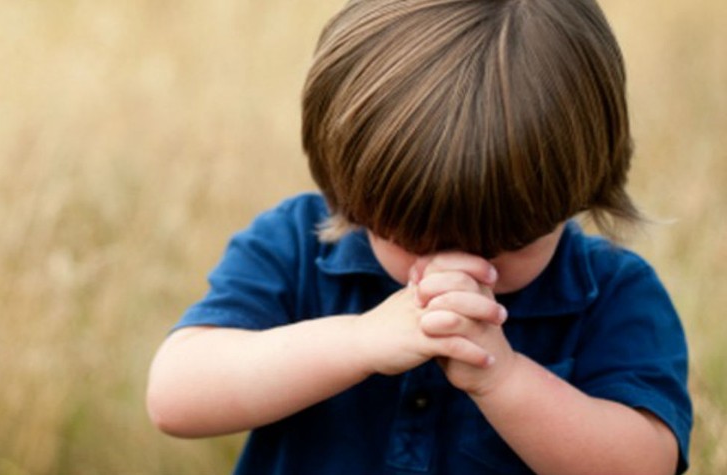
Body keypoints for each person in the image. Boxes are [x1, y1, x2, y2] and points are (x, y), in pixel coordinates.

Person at [146, 0, 693, 473]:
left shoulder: (612, 295)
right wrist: (358, 341)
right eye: (414, 240)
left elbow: (644, 464)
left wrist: (503, 380)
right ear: (351, 193)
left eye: (507, 246)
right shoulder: (296, 247)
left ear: (581, 187)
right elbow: (176, 395)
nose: (456, 269)